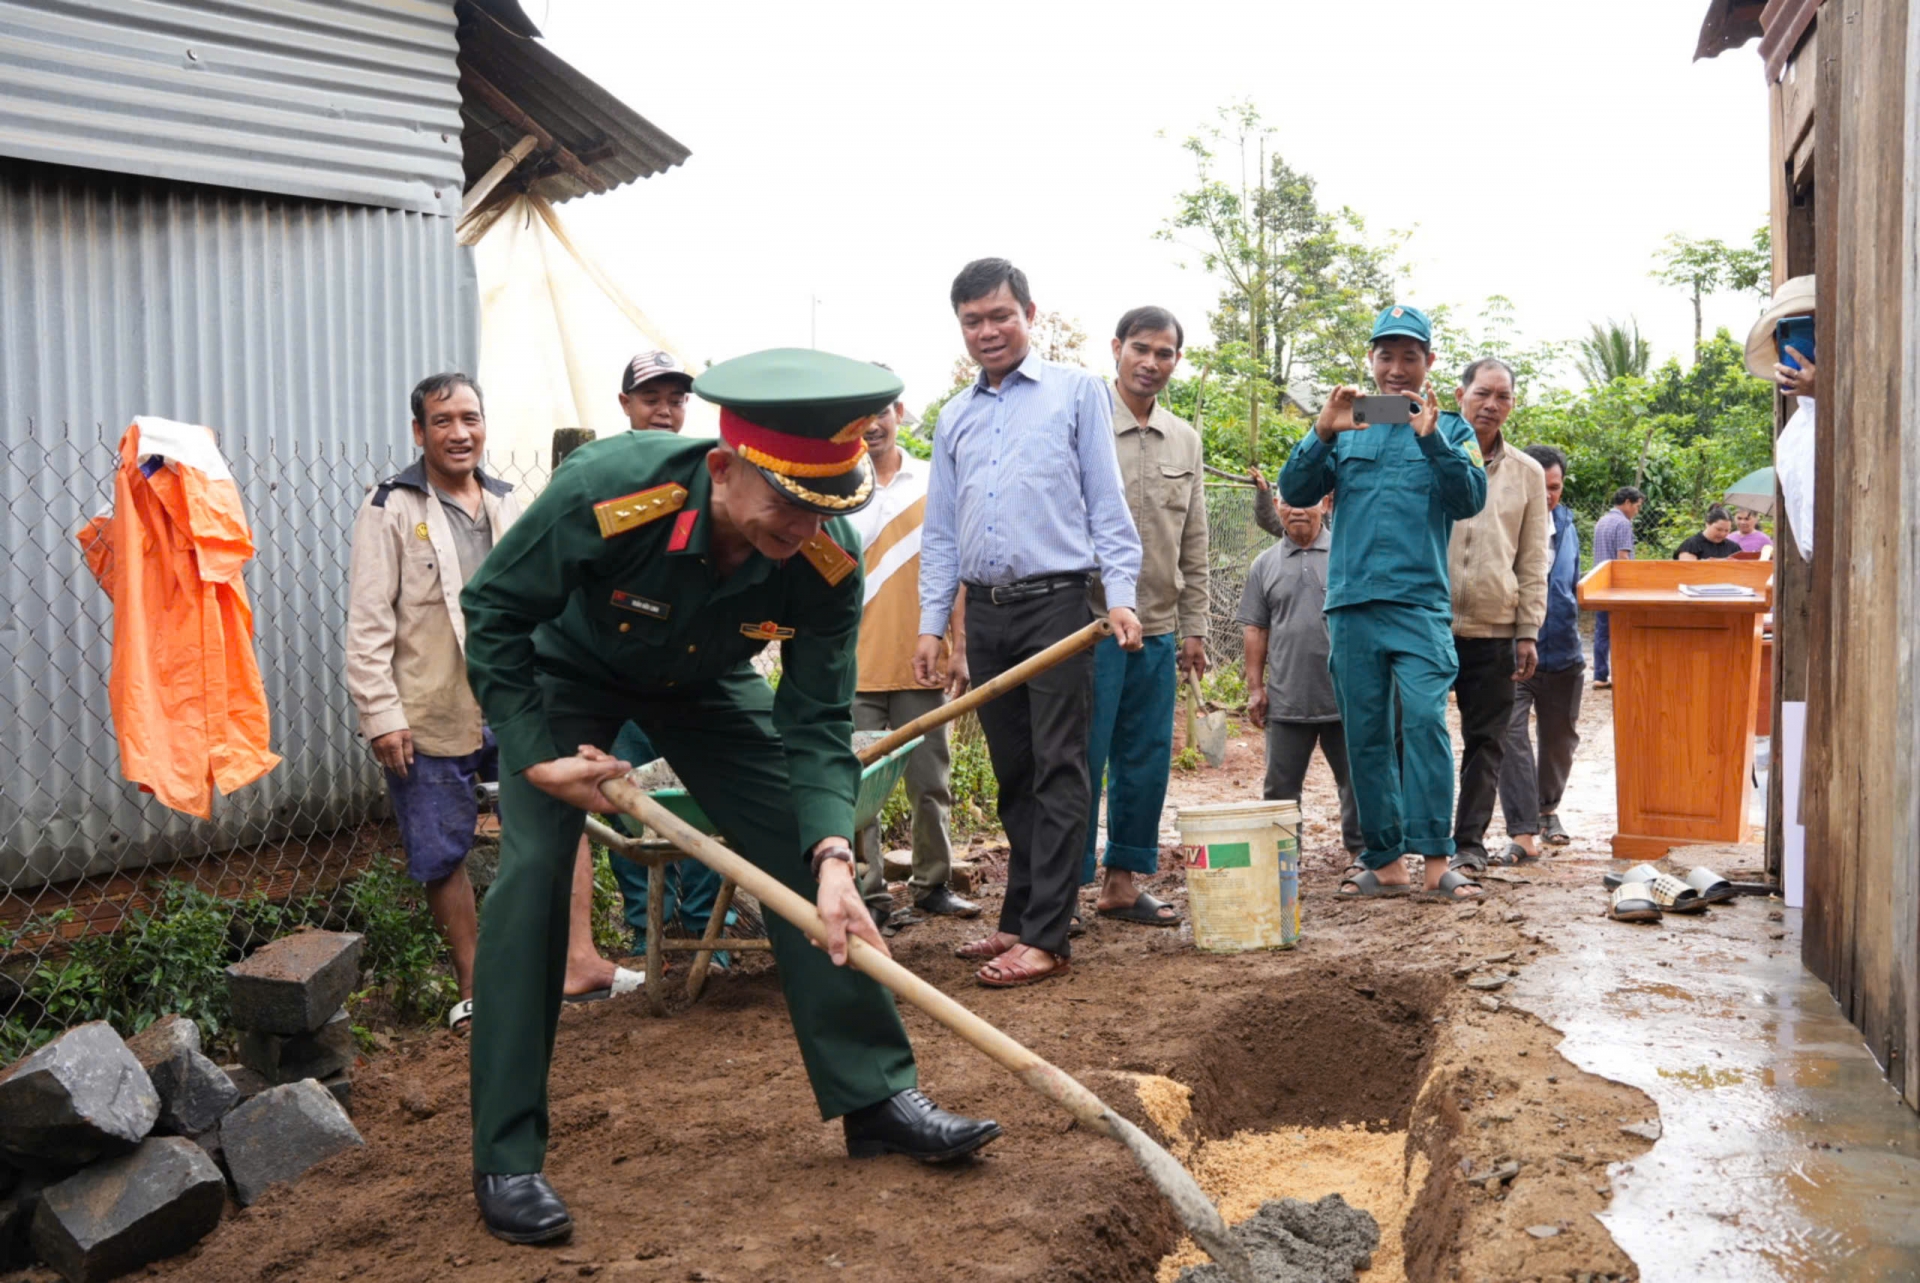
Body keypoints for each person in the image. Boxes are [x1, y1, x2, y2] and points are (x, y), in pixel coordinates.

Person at [460, 350, 999, 1245]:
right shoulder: (608, 489)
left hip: (704, 680)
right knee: (535, 873)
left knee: (799, 844)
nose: (807, 525)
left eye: (827, 505)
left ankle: (875, 1097)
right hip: (568, 674)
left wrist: (832, 855)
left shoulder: (824, 552)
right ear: (722, 465)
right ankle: (506, 1153)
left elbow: (818, 720)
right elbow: (495, 610)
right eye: (786, 501)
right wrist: (529, 757)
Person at [345, 373, 634, 1035]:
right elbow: (367, 623)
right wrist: (380, 712)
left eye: (470, 417)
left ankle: (579, 963)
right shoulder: (390, 507)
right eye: (442, 420)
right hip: (429, 703)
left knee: (562, 812)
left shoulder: (507, 504)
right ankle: (480, 985)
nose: (459, 432)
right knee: (440, 843)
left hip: (515, 695)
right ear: (419, 432)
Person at [917, 258, 1144, 987]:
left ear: (1029, 313)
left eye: (999, 315)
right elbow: (943, 533)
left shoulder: (1075, 394)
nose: (988, 331)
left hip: (1056, 605)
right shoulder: (954, 416)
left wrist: (1120, 593)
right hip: (986, 615)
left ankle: (1047, 934)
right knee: (1016, 771)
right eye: (973, 321)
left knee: (1060, 764)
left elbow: (1108, 505)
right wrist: (933, 624)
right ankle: (1018, 917)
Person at [1277, 304, 1487, 900]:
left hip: (1419, 604)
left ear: (1429, 362)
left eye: (1410, 356)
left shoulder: (1453, 429)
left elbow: (1470, 498)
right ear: (1371, 361)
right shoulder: (1348, 424)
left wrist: (1432, 443)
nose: (1397, 370)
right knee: (1366, 732)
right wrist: (1321, 431)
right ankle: (1386, 860)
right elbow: (1296, 492)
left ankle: (1438, 861)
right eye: (1387, 356)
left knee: (1424, 722)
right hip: (1351, 605)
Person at [602, 350, 733, 957]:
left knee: (703, 793)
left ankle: (709, 926)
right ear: (625, 403)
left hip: (688, 669)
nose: (664, 409)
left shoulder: (706, 474)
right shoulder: (601, 474)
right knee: (627, 801)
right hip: (619, 666)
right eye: (651, 397)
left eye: (676, 399)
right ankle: (644, 929)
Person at [1083, 306, 1208, 928]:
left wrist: (1195, 627)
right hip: (1087, 627)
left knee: (1145, 756)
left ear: (1175, 361)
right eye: (1141, 349)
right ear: (1116, 349)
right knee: (1078, 756)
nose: (1151, 363)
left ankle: (1121, 883)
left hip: (1157, 626)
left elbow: (1195, 541)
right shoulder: (1081, 423)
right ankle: (1061, 888)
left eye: (1164, 353)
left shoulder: (1184, 438)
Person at [845, 370, 977, 925]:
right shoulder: (834, 487)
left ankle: (932, 884)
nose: (872, 426)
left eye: (882, 412)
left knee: (931, 781)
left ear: (901, 411)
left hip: (921, 659)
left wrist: (960, 647)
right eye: (860, 415)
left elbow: (955, 569)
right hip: (851, 666)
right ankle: (869, 895)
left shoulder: (931, 482)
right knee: (856, 792)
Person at [1443, 358, 1549, 870]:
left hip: (1495, 628)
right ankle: (1415, 838)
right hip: (1428, 622)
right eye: (1482, 393)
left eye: (1502, 397)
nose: (1491, 405)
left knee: (1485, 741)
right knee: (1413, 733)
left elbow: (1533, 559)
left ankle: (1468, 845)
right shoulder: (1430, 453)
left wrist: (1527, 629)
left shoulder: (1527, 473)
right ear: (1459, 393)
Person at [1237, 494, 1363, 859]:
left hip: (1345, 697)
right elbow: (1255, 630)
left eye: (1306, 502)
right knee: (1279, 789)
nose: (1296, 510)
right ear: (1277, 506)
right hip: (1287, 699)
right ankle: (1282, 862)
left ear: (1325, 503)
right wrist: (1256, 688)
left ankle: (1364, 855)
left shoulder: (1347, 555)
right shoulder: (1264, 565)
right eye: (1288, 502)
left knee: (1356, 783)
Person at [1499, 445, 1584, 860]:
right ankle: (1522, 829)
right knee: (1509, 736)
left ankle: (1548, 809)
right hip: (1511, 653)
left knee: (1559, 740)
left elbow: (1572, 582)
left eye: (1555, 487)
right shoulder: (1502, 521)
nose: (1548, 495)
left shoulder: (1568, 525)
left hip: (1564, 652)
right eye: (1541, 486)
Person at [1589, 486, 1643, 689]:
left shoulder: (1602, 521)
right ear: (1627, 502)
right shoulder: (1623, 523)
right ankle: (1623, 673)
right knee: (1623, 630)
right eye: (1637, 506)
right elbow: (1623, 557)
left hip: (1601, 584)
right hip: (1618, 587)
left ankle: (1600, 675)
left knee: (1602, 631)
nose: (1637, 511)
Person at [1675, 506, 1741, 561]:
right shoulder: (1691, 545)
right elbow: (1687, 569)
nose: (1722, 534)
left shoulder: (1734, 548)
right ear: (1707, 524)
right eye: (1718, 529)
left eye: (1727, 530)